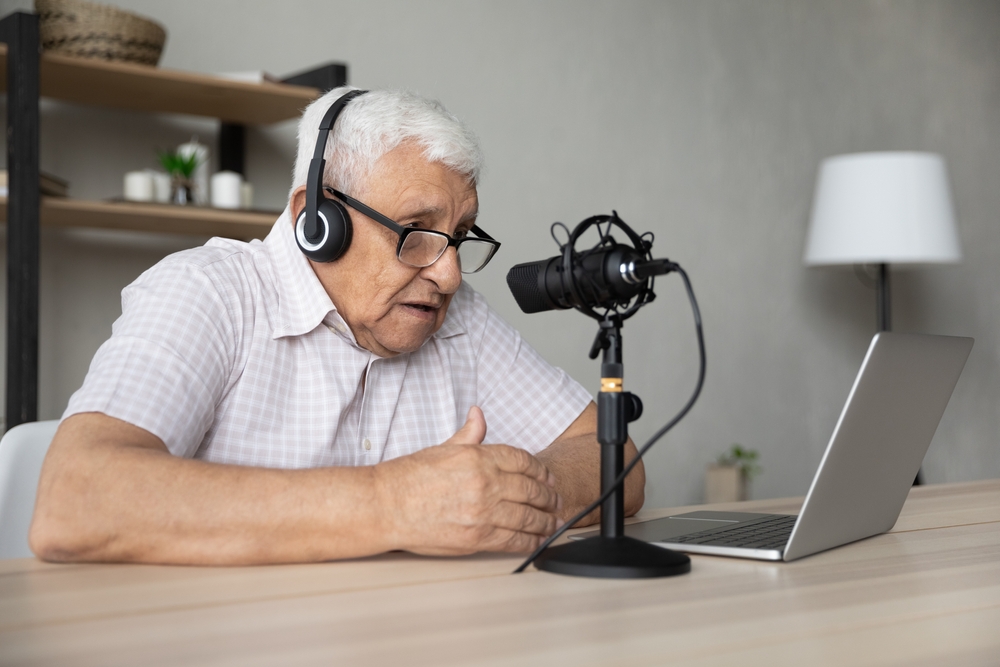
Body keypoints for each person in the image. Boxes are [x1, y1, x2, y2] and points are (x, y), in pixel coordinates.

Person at [29, 87, 644, 565]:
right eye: (417, 231)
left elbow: (618, 459)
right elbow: (75, 501)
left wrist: (517, 495)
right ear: (316, 220)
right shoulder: (208, 290)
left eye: (458, 237)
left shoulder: (460, 316)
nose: (450, 274)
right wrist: (394, 503)